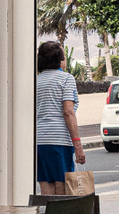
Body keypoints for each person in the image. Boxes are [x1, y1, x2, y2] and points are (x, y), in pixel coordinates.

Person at [34, 41, 84, 195]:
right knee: (62, 187)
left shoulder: (36, 81)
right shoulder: (66, 79)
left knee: (46, 187)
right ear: (60, 58)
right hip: (59, 140)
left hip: (39, 140)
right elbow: (68, 112)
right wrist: (77, 144)